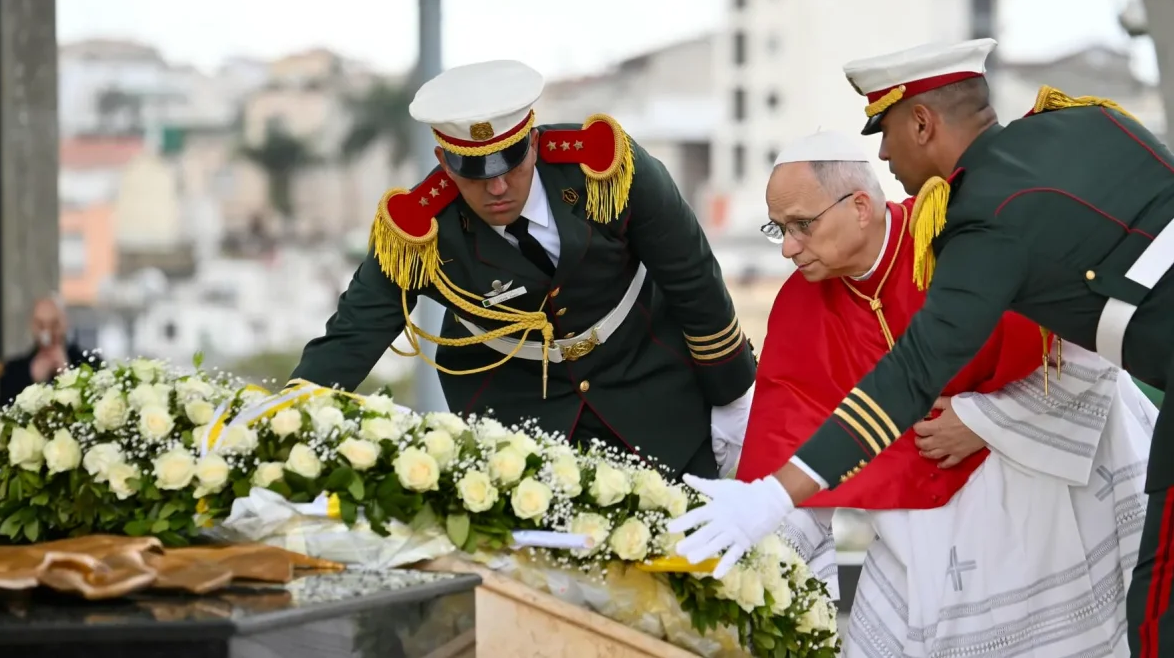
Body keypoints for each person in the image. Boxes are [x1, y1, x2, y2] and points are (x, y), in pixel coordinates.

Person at [667, 37, 1174, 657]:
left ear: (922, 124)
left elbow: (919, 372)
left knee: (1154, 613)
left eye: (886, 132)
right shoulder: (1088, 120)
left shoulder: (971, 226)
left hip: (1044, 475)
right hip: (919, 521)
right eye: (781, 229)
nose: (881, 153)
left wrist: (983, 420)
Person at [289, 60, 756, 479]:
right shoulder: (419, 230)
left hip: (655, 401)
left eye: (511, 163)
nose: (496, 187)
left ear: (532, 141)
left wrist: (732, 394)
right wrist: (282, 426)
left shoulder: (604, 167)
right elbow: (353, 334)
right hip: (520, 436)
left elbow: (690, 275)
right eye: (473, 170)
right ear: (443, 163)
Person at [0, 295, 96, 408]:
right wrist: (30, 378)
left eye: (54, 324)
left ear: (65, 323)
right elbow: (3, 413)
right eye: (41, 325)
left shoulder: (89, 364)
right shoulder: (12, 372)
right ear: (32, 326)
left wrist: (67, 375)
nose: (47, 333)